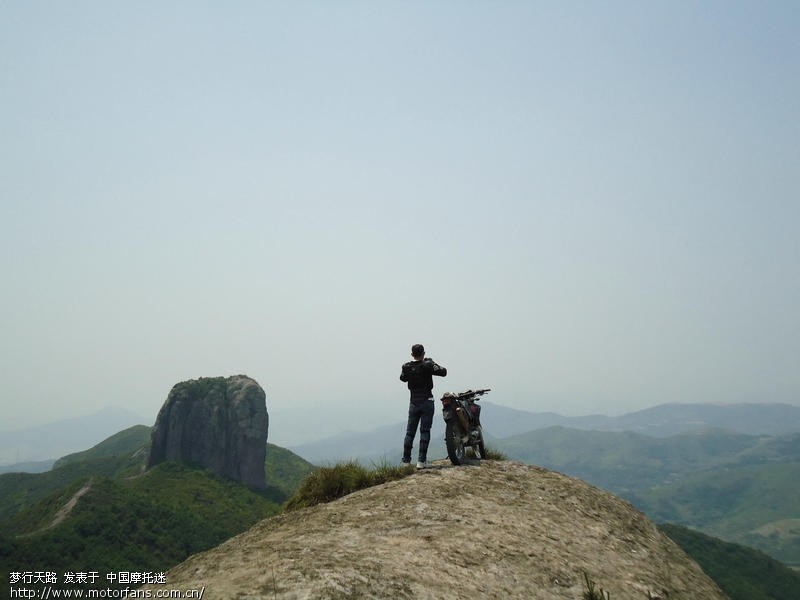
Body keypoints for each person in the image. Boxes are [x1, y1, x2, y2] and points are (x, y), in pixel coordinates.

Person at [399, 344, 447, 469]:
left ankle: (406, 461)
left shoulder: (406, 367)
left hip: (413, 402)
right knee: (425, 431)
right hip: (427, 401)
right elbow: (443, 372)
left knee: (410, 432)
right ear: (423, 353)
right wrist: (431, 362)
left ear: (411, 354)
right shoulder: (428, 365)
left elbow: (402, 378)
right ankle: (421, 461)